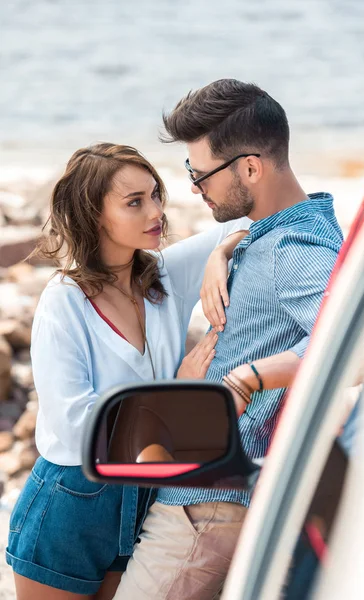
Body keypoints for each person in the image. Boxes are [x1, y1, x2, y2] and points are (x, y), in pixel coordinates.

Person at [113, 79, 344, 600]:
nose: (196, 189)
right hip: (206, 496)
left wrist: (248, 377)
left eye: (201, 175)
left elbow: (350, 345)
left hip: (207, 509)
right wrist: (227, 250)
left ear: (251, 168)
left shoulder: (297, 247)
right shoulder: (276, 231)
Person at [5, 142, 251, 599]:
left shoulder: (164, 278)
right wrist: (177, 395)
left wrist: (220, 256)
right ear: (94, 214)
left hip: (141, 497)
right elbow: (75, 424)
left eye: (155, 194)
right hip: (71, 501)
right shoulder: (64, 301)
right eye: (135, 202)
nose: (156, 210)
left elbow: (244, 222)